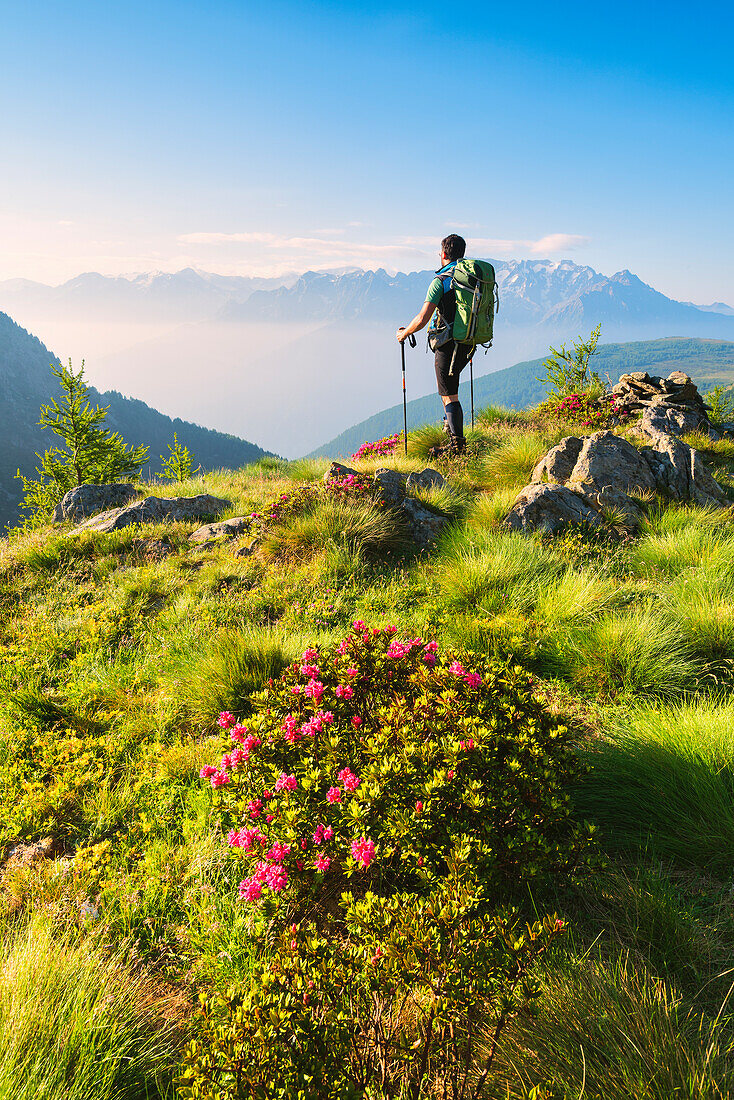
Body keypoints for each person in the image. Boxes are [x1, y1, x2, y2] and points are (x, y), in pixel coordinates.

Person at [396, 233, 471, 454]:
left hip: (448, 344)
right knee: (450, 389)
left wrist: (404, 334)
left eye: (440, 252)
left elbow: (422, 318)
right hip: (469, 342)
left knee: (449, 394)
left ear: (444, 253)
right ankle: (453, 438)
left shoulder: (441, 281)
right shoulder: (471, 279)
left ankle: (456, 448)